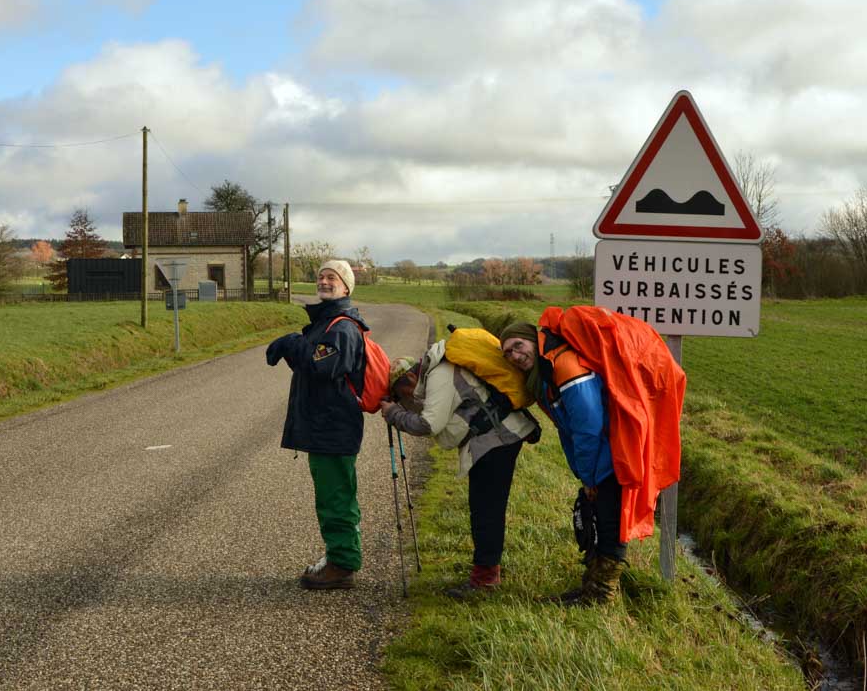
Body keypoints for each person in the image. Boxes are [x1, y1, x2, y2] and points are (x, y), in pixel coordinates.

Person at [380, 338, 539, 598]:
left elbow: (428, 424)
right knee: (485, 508)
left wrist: (394, 414)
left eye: (401, 392)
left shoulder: (440, 375)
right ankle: (486, 570)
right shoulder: (440, 370)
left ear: (410, 377)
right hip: (497, 437)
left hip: (497, 440)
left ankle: (485, 579)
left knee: (486, 510)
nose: (406, 399)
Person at [498, 319, 630, 605]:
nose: (515, 356)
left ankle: (601, 596)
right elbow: (567, 429)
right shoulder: (545, 375)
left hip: (614, 452)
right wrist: (583, 474)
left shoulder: (565, 366)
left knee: (610, 523)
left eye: (518, 345)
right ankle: (592, 588)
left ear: (533, 340)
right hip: (602, 455)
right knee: (598, 518)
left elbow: (588, 428)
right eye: (507, 353)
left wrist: (589, 477)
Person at [266, 259, 367, 590]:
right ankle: (340, 556)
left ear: (346, 287)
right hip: (326, 426)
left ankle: (342, 564)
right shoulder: (328, 324)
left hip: (333, 428)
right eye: (321, 276)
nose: (324, 281)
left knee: (335, 498)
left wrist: (292, 343)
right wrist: (296, 344)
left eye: (332, 277)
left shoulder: (342, 328)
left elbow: (320, 366)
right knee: (333, 496)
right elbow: (313, 363)